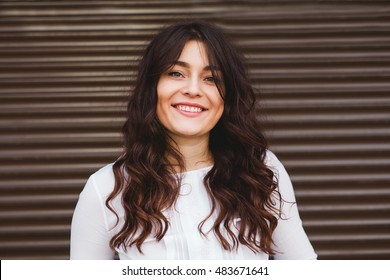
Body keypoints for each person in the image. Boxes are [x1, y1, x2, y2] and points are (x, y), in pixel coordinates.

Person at [70, 21, 317, 260]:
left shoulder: (261, 171)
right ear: (152, 87)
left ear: (227, 97)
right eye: (176, 73)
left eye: (211, 79)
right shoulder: (106, 189)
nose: (193, 89)